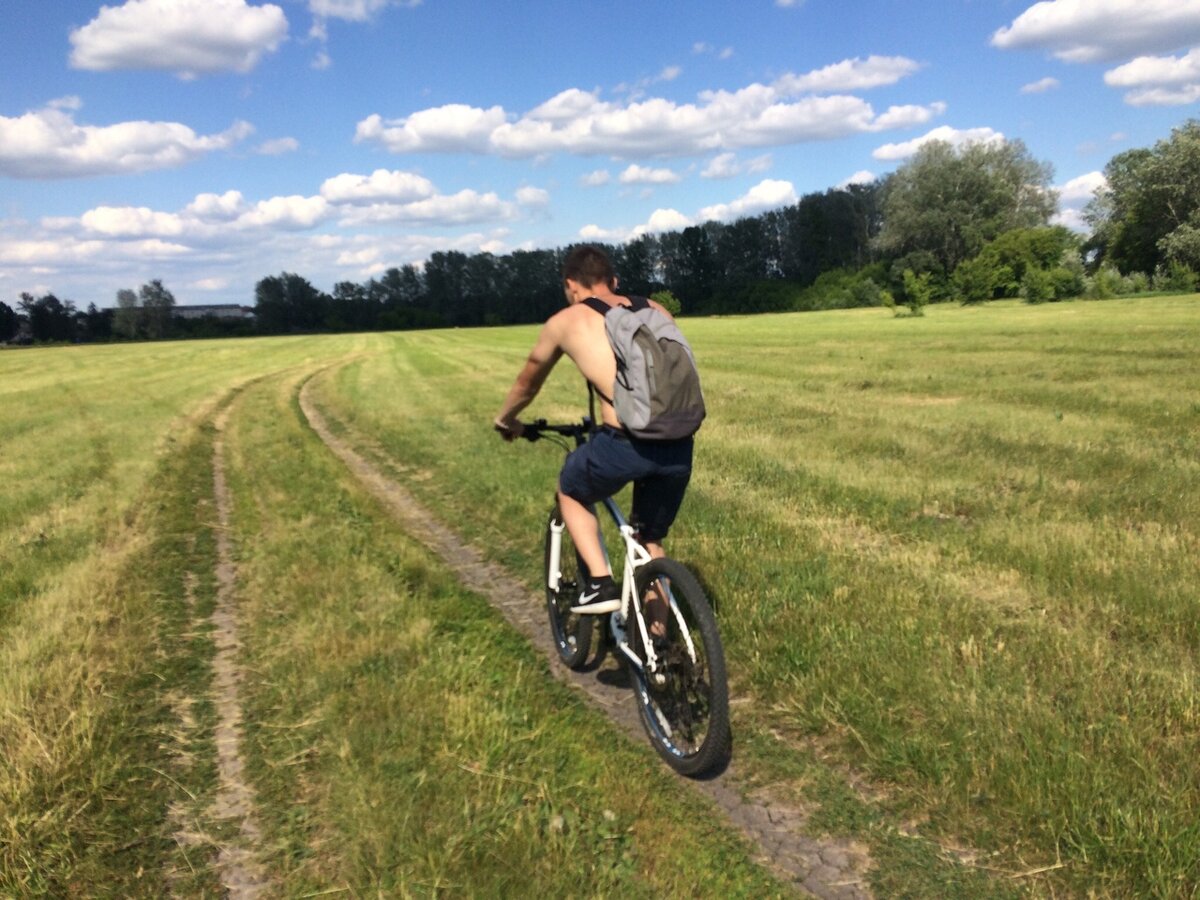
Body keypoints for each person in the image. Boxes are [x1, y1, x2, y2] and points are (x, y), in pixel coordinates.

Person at [493, 245, 695, 617]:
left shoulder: (567, 320)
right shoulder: (655, 308)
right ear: (613, 281)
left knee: (569, 489)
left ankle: (600, 584)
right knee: (650, 540)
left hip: (625, 445)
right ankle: (660, 649)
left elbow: (527, 383)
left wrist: (506, 419)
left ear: (571, 284)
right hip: (680, 443)